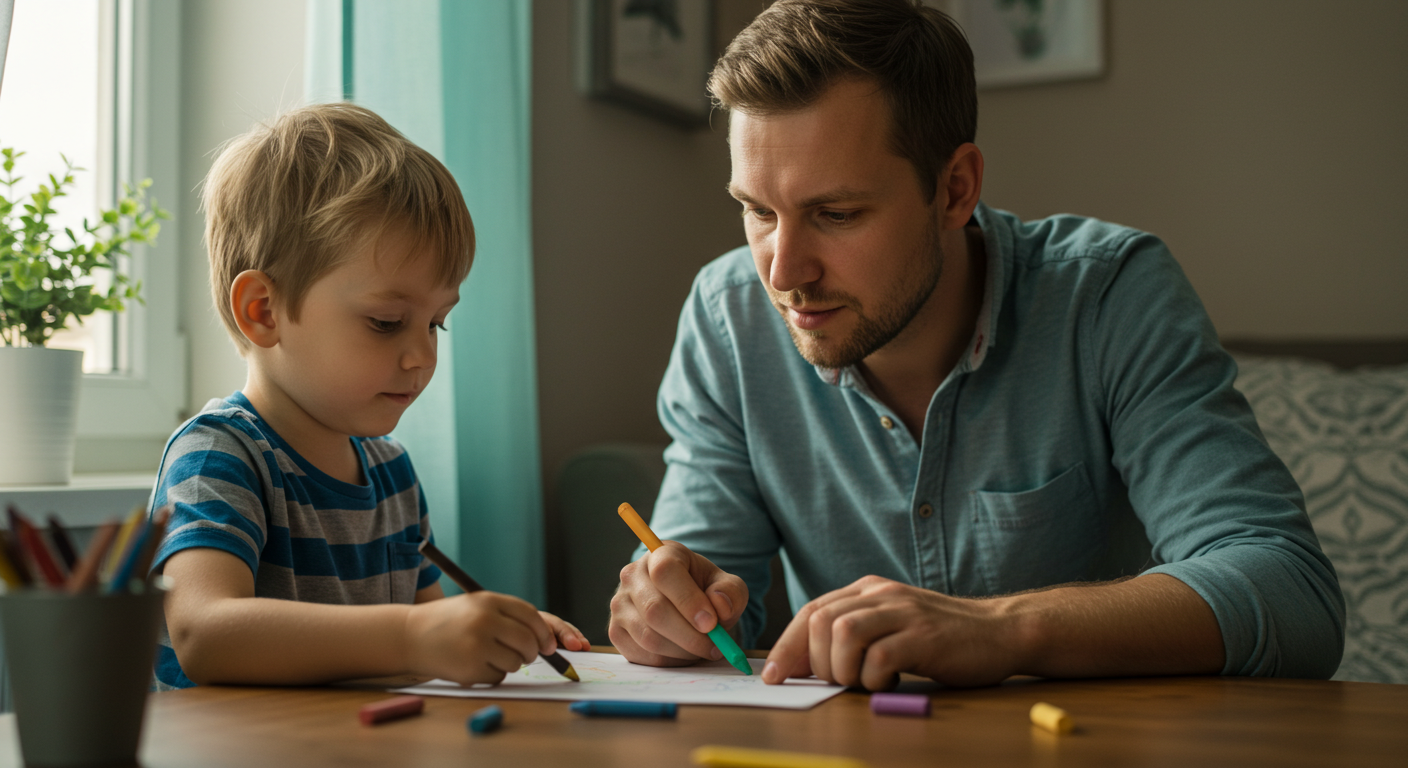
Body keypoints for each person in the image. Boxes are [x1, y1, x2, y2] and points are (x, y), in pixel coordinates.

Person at [608, 0, 1344, 690]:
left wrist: (1003, 630)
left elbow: (1292, 593)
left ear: (955, 189)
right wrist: (669, 612)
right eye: (758, 211)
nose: (783, 273)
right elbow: (703, 602)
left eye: (836, 214)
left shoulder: (1109, 295)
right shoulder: (728, 318)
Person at [150, 103, 586, 689]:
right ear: (264, 311)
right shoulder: (219, 457)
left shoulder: (392, 474)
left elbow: (426, 639)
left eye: (436, 323)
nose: (422, 355)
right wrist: (413, 638)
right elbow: (203, 634)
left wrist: (492, 635)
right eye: (386, 322)